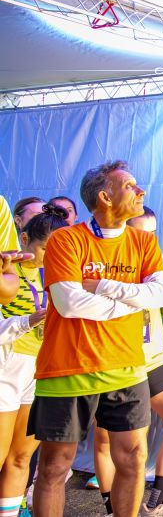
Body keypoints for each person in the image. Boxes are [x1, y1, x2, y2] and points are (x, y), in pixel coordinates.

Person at [29, 161, 163, 517]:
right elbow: (69, 303)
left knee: (134, 458)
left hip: (127, 368)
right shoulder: (66, 239)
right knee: (54, 466)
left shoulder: (144, 242)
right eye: (130, 186)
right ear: (105, 197)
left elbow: (160, 296)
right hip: (67, 369)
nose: (141, 191)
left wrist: (105, 287)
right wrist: (130, 301)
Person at [89, 208, 163, 517]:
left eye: (152, 232)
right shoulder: (104, 255)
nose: (148, 238)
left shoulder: (158, 259)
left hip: (153, 356)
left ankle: (158, 501)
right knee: (106, 439)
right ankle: (114, 509)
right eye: (140, 231)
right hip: (112, 357)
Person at [0, 205, 68, 517]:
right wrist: (28, 321)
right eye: (44, 248)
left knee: (20, 458)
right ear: (24, 238)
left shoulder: (58, 274)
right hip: (6, 365)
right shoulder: (8, 269)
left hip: (40, 369)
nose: (49, 256)